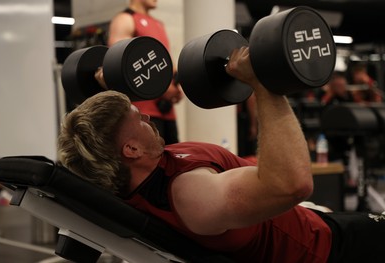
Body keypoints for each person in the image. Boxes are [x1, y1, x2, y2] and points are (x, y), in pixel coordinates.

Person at [58, 46, 385, 263]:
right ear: (130, 149)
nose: (147, 117)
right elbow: (292, 184)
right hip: (330, 250)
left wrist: (105, 86)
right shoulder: (192, 196)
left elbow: (95, 139)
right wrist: (263, 85)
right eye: (138, 118)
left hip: (316, 222)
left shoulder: (136, 171)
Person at [107, 0, 183, 144]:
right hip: (142, 111)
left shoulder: (158, 24)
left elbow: (166, 60)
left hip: (165, 109)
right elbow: (121, 62)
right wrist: (163, 87)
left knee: (173, 157)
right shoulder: (125, 19)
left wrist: (175, 86)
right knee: (149, 158)